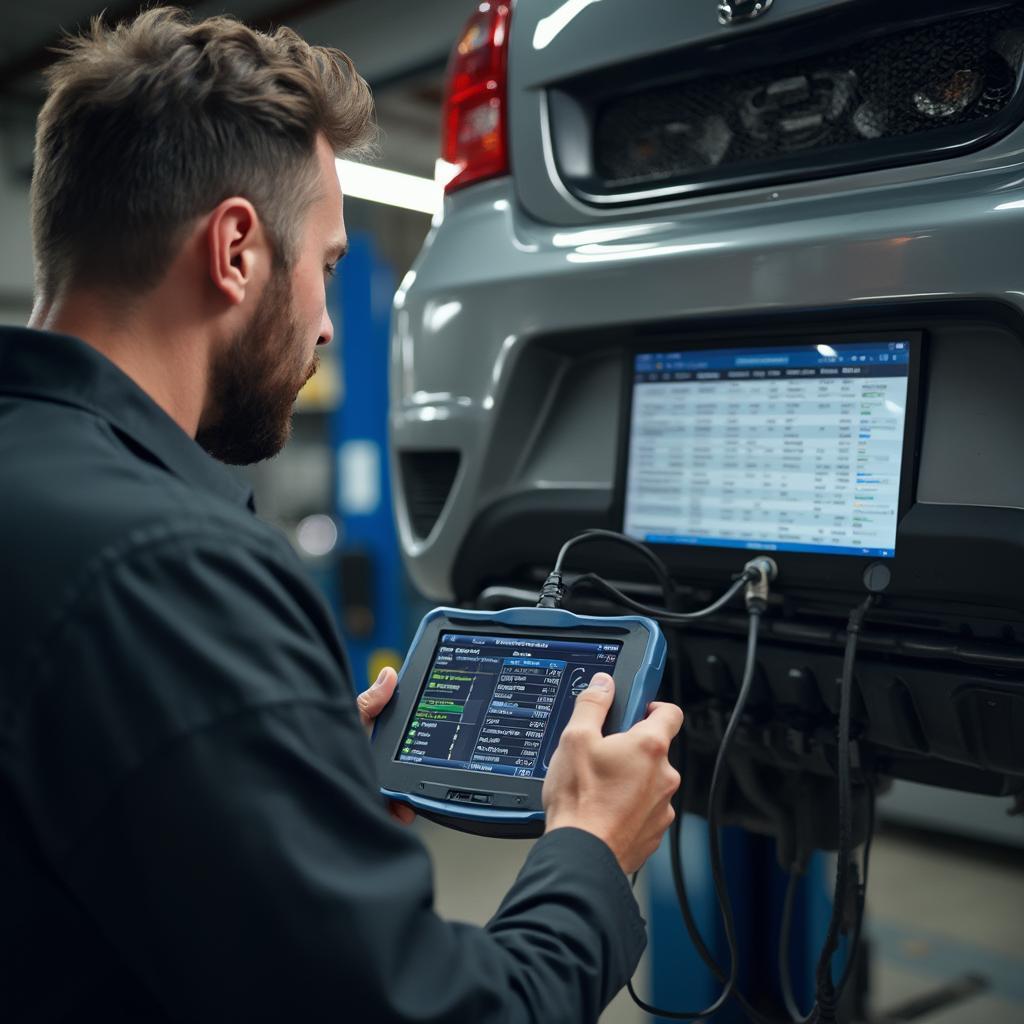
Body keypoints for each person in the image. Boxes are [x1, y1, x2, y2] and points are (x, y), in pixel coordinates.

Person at [0, 8, 683, 1022]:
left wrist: (271, 783)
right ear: (235, 249)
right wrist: (587, 847)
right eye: (322, 266)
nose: (326, 321)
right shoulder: (171, 568)